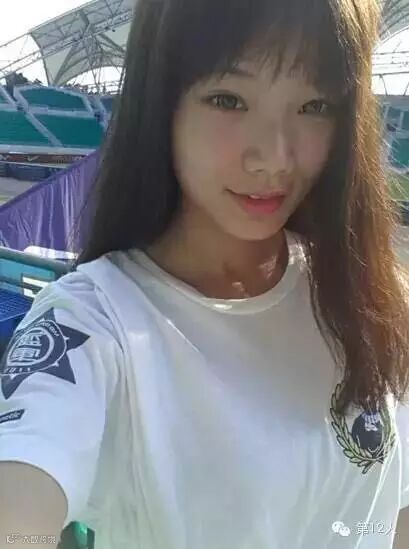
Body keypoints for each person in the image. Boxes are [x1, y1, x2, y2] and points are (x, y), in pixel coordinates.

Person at [1, 0, 409, 547]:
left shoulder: (372, 299)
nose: (274, 157)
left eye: (314, 106)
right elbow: (19, 508)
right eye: (228, 99)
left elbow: (394, 508)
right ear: (161, 105)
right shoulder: (97, 323)